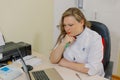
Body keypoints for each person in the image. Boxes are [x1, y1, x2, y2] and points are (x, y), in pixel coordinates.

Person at [50, 7, 104, 76]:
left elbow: (93, 69)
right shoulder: (65, 36)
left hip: (89, 77)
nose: (67, 29)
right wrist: (63, 43)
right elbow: (53, 60)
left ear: (81, 22)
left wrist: (66, 63)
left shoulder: (94, 38)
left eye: (70, 25)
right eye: (64, 25)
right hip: (69, 73)